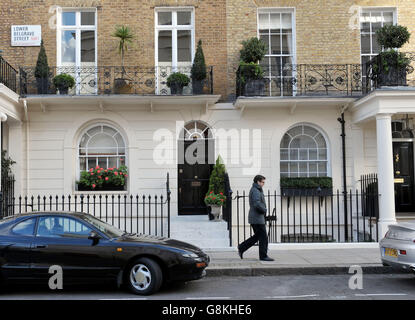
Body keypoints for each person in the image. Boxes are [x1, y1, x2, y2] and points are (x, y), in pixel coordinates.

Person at [237, 175, 274, 261]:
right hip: (257, 218)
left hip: (256, 218)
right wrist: (264, 209)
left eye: (264, 182)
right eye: (262, 182)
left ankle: (242, 247)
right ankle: (263, 256)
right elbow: (257, 204)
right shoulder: (256, 190)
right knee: (263, 237)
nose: (263, 184)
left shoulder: (257, 189)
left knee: (258, 236)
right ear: (258, 181)